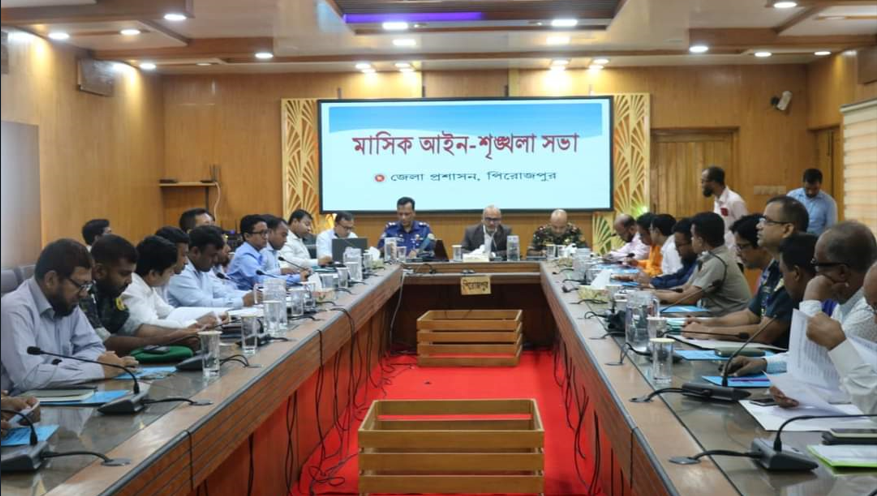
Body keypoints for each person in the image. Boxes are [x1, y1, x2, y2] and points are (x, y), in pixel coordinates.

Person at [731, 223, 877, 414]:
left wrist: (810, 300)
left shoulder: (866, 310)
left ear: (842, 272)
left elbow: (821, 365)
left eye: (817, 264)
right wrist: (766, 363)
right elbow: (820, 355)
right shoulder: (846, 304)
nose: (814, 273)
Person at [1, 239, 135, 393]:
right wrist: (98, 370)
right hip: (20, 403)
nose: (84, 294)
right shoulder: (15, 309)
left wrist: (57, 366)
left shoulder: (67, 303)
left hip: (61, 393)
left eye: (88, 285)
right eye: (81, 285)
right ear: (51, 279)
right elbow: (29, 377)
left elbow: (95, 347)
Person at [80, 235, 200, 356]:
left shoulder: (109, 292)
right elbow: (105, 344)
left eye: (131, 274)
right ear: (100, 271)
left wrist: (186, 333)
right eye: (124, 274)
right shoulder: (84, 295)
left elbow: (136, 329)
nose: (130, 281)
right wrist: (169, 340)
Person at [653, 212, 751, 316]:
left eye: (692, 236)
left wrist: (654, 295)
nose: (691, 240)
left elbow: (689, 297)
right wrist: (656, 293)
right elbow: (685, 288)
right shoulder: (709, 257)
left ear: (700, 241)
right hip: (715, 316)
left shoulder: (717, 261)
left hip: (731, 320)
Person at [122, 236, 218, 329]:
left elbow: (169, 313)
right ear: (153, 274)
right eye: (170, 270)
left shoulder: (147, 286)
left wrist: (213, 315)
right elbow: (149, 326)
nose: (172, 274)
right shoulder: (132, 289)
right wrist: (193, 323)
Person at [168, 226, 255, 309]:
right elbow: (201, 304)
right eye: (212, 255)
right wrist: (242, 301)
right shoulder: (180, 271)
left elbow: (221, 293)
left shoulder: (203, 267)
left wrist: (252, 295)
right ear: (195, 251)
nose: (215, 260)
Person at [228, 215, 302, 290]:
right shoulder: (244, 256)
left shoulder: (257, 252)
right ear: (247, 236)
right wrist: (298, 278)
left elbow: (265, 275)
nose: (266, 237)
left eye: (266, 232)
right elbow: (261, 281)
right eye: (261, 233)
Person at [701, 165, 748, 254]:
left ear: (714, 182)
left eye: (703, 181)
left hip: (734, 254)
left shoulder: (734, 200)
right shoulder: (717, 201)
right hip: (722, 251)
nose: (702, 185)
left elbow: (745, 227)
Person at [646, 218, 698, 290]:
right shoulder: (689, 260)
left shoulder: (701, 260)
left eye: (679, 245)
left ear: (693, 242)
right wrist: (654, 281)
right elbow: (677, 276)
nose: (676, 249)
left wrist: (653, 282)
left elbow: (682, 283)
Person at [787, 168, 838, 236]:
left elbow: (831, 228)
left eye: (815, 189)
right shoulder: (792, 196)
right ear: (803, 183)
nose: (811, 192)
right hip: (794, 237)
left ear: (820, 184)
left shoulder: (829, 202)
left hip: (816, 239)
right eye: (807, 188)